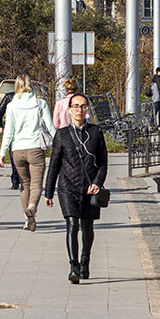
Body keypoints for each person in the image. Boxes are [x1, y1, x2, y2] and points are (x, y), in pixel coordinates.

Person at [43, 93, 108, 284]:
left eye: (83, 106)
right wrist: (49, 191)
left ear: (87, 110)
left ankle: (85, 260)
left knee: (87, 227)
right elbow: (54, 164)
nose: (80, 110)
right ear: (69, 109)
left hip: (90, 189)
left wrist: (97, 182)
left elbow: (103, 162)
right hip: (67, 187)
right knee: (72, 224)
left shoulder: (95, 132)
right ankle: (73, 266)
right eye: (76, 106)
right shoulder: (62, 134)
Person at [0, 75, 55, 232]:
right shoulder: (40, 103)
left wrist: (2, 152)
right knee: (36, 184)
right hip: (35, 148)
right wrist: (61, 143)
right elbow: (50, 127)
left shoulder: (11, 106)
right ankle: (32, 208)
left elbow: (8, 131)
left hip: (17, 150)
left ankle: (26, 220)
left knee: (25, 185)